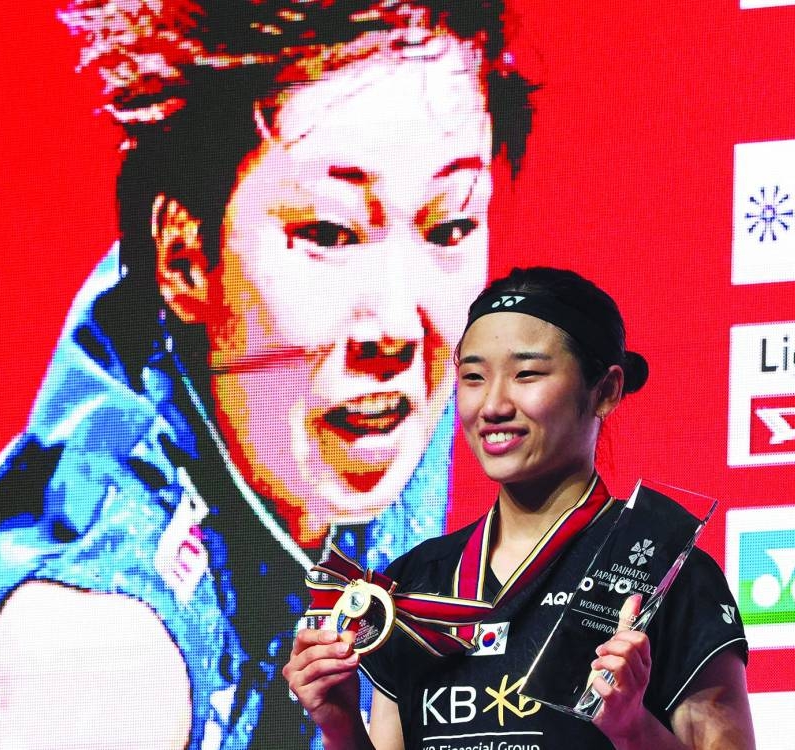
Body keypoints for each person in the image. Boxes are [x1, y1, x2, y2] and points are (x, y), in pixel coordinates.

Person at [0, 2, 534, 748]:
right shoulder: (96, 661)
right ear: (186, 259)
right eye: (328, 233)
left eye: (449, 226)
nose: (395, 326)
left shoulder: (358, 384)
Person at [284, 266, 757, 749]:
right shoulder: (416, 581)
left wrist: (631, 727)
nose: (492, 405)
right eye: (473, 377)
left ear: (606, 390)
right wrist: (340, 723)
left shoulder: (665, 570)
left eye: (526, 374)